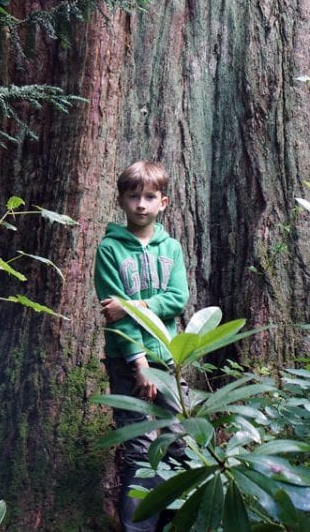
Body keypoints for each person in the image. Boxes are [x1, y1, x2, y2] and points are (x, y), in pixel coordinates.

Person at [95, 160, 189, 532]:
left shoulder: (173, 249)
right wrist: (138, 365)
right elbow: (112, 313)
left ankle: (179, 520)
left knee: (178, 438)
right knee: (138, 445)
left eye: (149, 197)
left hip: (169, 358)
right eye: (133, 197)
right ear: (121, 200)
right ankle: (138, 528)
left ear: (163, 202)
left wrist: (133, 305)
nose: (141, 205)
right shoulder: (110, 250)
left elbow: (177, 299)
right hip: (126, 361)